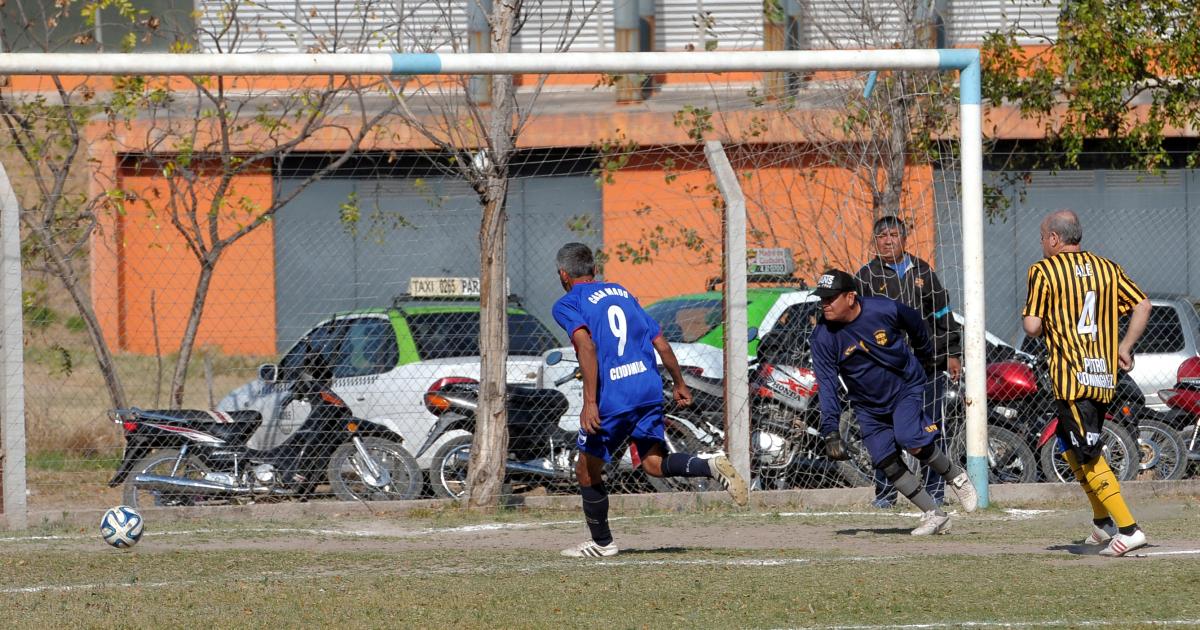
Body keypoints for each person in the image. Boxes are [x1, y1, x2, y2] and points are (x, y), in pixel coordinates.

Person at [552, 242, 748, 558]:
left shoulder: (567, 303)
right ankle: (709, 464)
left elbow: (586, 347)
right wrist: (680, 383)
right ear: (595, 271)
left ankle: (602, 543)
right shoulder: (623, 293)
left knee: (586, 470)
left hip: (614, 396)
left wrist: (590, 402)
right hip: (647, 387)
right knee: (653, 464)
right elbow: (660, 342)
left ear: (563, 274)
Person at [809, 268, 977, 535]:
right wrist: (830, 430)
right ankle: (935, 515)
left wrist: (925, 354)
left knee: (910, 438)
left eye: (831, 298)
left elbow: (916, 324)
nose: (824, 304)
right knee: (885, 460)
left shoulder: (882, 309)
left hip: (904, 388)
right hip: (867, 404)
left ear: (850, 297)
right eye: (822, 299)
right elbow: (827, 385)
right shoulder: (822, 337)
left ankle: (954, 474)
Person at [1023, 210, 1151, 557]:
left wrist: (1040, 318)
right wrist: (1124, 346)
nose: (1041, 243)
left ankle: (1129, 528)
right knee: (1067, 443)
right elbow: (1143, 305)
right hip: (1101, 374)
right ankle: (1101, 522)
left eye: (1042, 237)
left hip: (1072, 377)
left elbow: (1032, 327)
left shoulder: (1043, 270)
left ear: (1053, 239)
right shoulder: (1107, 267)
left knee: (1088, 453)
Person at [855, 215, 963, 508]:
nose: (888, 241)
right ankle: (885, 496)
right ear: (875, 241)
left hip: (925, 367)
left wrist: (952, 353)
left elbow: (943, 315)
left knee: (929, 428)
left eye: (893, 235)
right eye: (882, 237)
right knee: (885, 434)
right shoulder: (865, 277)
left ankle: (936, 492)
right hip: (884, 372)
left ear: (904, 239)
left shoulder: (924, 272)